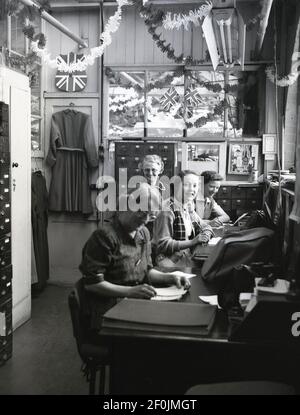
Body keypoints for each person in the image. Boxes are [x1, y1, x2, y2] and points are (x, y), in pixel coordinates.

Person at [79, 184, 191, 332]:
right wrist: (130, 292)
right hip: (109, 309)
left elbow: (146, 271)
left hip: (135, 303)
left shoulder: (143, 233)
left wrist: (170, 277)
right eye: (141, 213)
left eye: (150, 216)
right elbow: (92, 284)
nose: (145, 220)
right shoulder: (105, 236)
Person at [153, 170, 214, 267]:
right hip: (169, 261)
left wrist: (206, 234)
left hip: (185, 256)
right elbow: (163, 244)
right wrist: (193, 242)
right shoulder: (167, 209)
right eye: (186, 185)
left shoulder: (187, 206)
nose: (192, 189)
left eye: (195, 186)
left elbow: (205, 226)